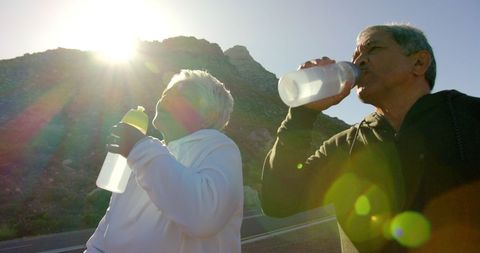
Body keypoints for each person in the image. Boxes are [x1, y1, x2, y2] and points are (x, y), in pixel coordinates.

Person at [261, 24, 480, 252]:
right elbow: (278, 201)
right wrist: (302, 114)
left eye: (372, 49)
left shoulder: (470, 118)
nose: (359, 61)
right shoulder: (346, 145)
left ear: (418, 63)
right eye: (355, 55)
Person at [85, 70, 243, 253]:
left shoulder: (220, 147)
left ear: (209, 115)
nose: (166, 98)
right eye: (166, 93)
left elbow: (204, 217)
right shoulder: (143, 156)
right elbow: (109, 225)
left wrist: (139, 148)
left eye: (181, 95)